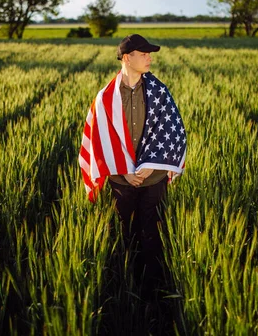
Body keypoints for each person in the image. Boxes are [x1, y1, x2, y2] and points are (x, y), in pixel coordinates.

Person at [79, 34, 187, 300]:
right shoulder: (105, 97)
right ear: (127, 58)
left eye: (150, 54)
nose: (150, 57)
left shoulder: (160, 91)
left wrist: (150, 165)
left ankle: (152, 288)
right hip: (121, 179)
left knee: (152, 233)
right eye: (144, 54)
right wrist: (123, 170)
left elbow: (173, 133)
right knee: (123, 231)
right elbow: (100, 139)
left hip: (153, 178)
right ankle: (123, 286)